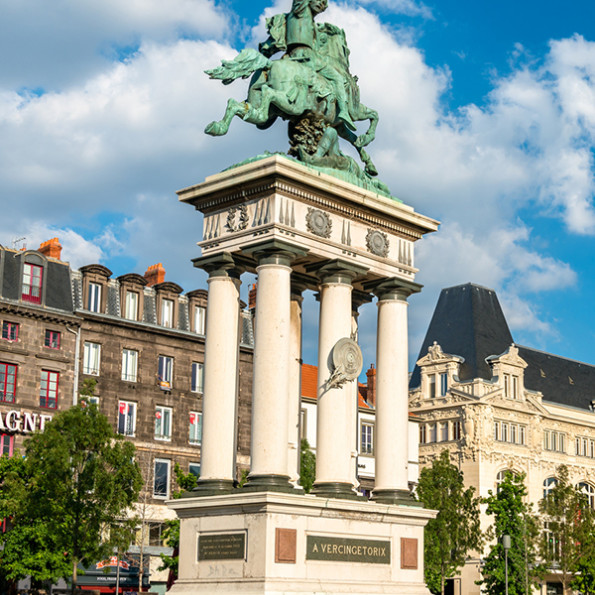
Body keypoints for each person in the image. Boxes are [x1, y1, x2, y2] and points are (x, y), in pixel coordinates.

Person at [285, 0, 356, 130]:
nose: (322, 5)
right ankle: (344, 111)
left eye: (324, 4)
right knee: (337, 77)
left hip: (292, 55)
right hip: (306, 56)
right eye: (319, 1)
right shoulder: (300, 10)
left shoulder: (298, 18)